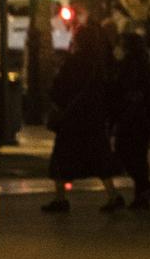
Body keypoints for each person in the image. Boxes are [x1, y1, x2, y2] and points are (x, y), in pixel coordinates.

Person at [42, 23, 123, 212]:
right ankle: (113, 194)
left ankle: (60, 198)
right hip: (94, 118)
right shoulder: (99, 64)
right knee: (99, 158)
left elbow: (59, 89)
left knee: (62, 158)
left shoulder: (73, 63)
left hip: (72, 119)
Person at [108, 32, 150, 211]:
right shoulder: (145, 64)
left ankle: (144, 188)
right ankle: (143, 192)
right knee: (139, 156)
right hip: (143, 118)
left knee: (125, 153)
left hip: (132, 117)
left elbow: (125, 91)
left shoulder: (130, 65)